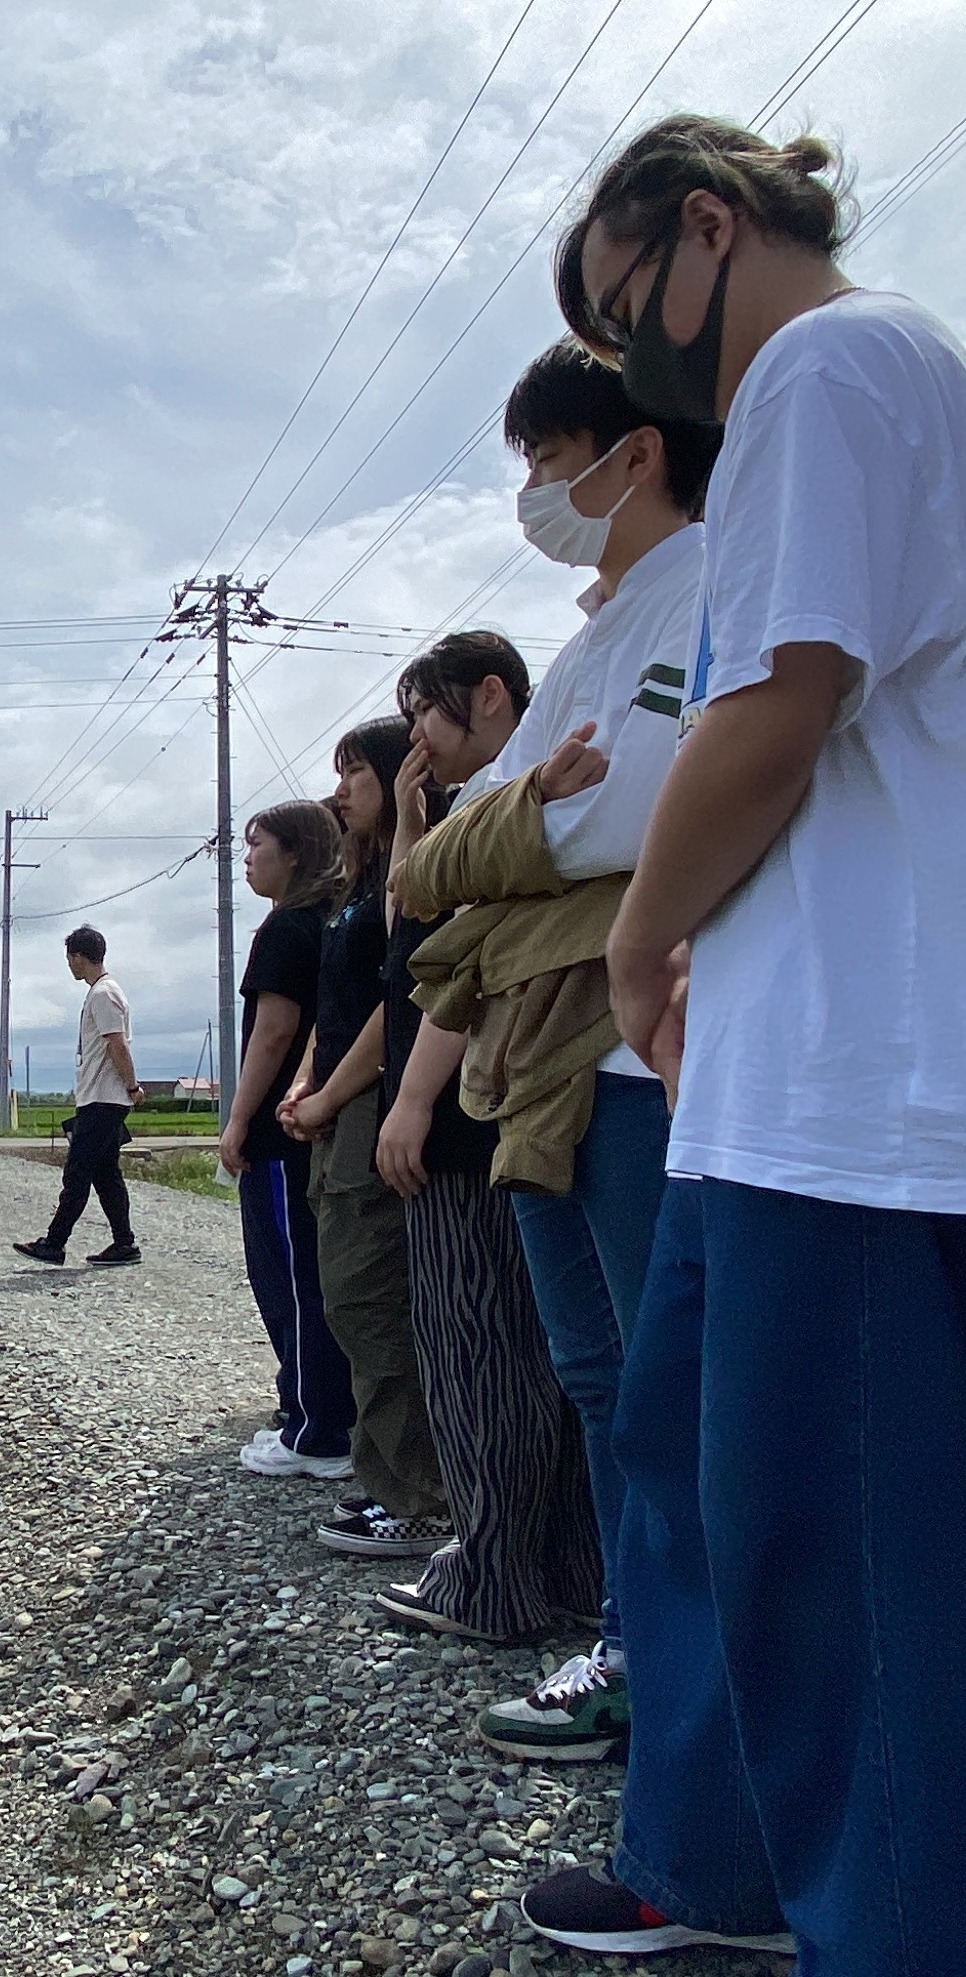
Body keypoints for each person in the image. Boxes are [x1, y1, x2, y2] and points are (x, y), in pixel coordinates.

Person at [515, 118, 966, 1969]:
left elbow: (773, 710)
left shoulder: (832, 364)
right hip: (770, 1093)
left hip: (853, 1099)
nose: (641, 372)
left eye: (631, 323)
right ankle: (708, 1863)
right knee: (707, 1484)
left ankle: (876, 1926)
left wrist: (640, 937)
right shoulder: (863, 381)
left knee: (840, 1566)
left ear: (713, 225)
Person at [399, 340, 717, 1761]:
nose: (532, 493)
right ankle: (633, 1641)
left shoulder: (705, 588)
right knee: (595, 1372)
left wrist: (507, 831)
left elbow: (631, 818)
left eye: (541, 461)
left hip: (639, 1053)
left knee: (663, 1377)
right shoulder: (601, 623)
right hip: (545, 1062)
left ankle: (695, 1680)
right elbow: (447, 869)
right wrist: (517, 822)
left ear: (630, 452)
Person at [368, 633, 605, 1646]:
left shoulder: (503, 804)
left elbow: (454, 969)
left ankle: (493, 1578)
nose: (412, 737)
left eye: (421, 711)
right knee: (553, 1359)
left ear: (488, 697)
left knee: (478, 1353)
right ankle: (564, 1573)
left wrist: (411, 1099)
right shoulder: (504, 800)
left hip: (478, 1108)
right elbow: (413, 914)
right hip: (532, 1099)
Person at [277, 720, 448, 1560]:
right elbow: (334, 1005)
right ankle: (383, 1479)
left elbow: (399, 999)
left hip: (373, 1103)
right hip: (339, 1108)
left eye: (356, 774)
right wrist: (308, 1082)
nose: (340, 789)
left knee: (372, 1296)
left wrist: (329, 1093)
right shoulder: (353, 885)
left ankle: (417, 1495)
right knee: (347, 1296)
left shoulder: (400, 877)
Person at [218, 800, 357, 1481]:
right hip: (318, 1122)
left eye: (258, 845)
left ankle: (315, 1427)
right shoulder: (329, 920)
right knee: (318, 1273)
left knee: (293, 1277)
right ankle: (322, 1411)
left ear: (294, 852)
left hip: (282, 1135)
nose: (247, 858)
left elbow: (274, 1032)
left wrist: (239, 1119)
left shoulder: (284, 931)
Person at [13, 924, 142, 1267]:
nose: (69, 965)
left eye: (70, 958)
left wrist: (132, 1086)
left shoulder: (103, 994)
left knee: (77, 1172)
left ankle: (54, 1244)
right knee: (105, 1174)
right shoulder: (103, 992)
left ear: (79, 957)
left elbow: (118, 1044)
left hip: (104, 1099)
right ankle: (124, 1244)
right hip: (101, 1097)